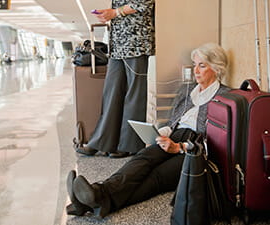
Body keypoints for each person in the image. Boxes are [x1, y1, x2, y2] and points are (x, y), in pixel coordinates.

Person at [66, 43, 231, 218]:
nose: (196, 70)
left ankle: (91, 200)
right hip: (174, 136)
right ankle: (95, 196)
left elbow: (218, 143)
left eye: (202, 65)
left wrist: (179, 148)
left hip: (194, 151)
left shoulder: (224, 98)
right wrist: (163, 133)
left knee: (157, 177)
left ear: (217, 68)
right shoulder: (188, 90)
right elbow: (174, 121)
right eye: (195, 64)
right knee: (142, 159)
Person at [76, 0, 155, 158]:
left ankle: (129, 145)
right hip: (118, 44)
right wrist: (109, 14)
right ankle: (102, 142)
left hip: (136, 42)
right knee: (111, 93)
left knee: (134, 96)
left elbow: (144, 3)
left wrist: (115, 12)